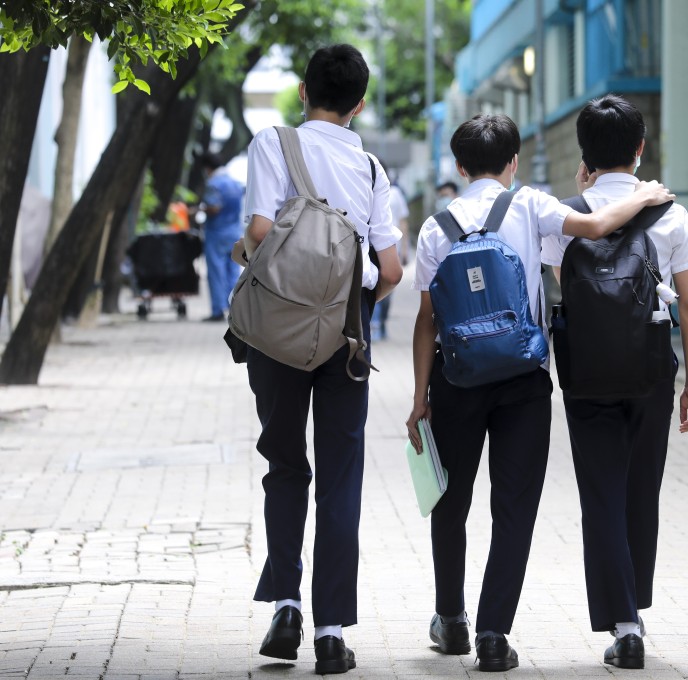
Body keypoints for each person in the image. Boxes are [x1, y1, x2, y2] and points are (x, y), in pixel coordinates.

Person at [406, 113, 674, 672]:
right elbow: (598, 226)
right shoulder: (529, 206)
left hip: (455, 380)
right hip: (522, 383)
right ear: (513, 163)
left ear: (459, 166)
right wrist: (646, 192)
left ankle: (450, 618)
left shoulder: (436, 227)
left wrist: (418, 398)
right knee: (515, 509)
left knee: (449, 501)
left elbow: (427, 320)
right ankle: (493, 634)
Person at [242, 44, 402, 675]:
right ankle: (331, 631)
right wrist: (353, 296)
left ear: (303, 91)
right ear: (359, 103)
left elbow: (259, 231)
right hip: (347, 332)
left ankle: (286, 604)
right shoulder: (368, 165)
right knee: (341, 478)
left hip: (278, 326)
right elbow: (390, 268)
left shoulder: (271, 144)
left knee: (284, 465)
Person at [540, 94, 688, 670]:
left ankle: (624, 624)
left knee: (601, 495)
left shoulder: (564, 215)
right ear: (641, 148)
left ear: (584, 155)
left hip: (586, 372)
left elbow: (567, 288)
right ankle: (638, 606)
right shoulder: (670, 214)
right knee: (641, 492)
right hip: (651, 371)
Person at [198, 152, 244, 322]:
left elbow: (214, 208)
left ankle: (217, 310)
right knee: (233, 271)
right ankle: (235, 308)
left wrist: (201, 209)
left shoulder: (213, 184)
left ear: (207, 168)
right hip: (234, 232)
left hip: (216, 233)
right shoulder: (235, 183)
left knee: (216, 272)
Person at [370, 162, 410, 340]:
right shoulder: (366, 185)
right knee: (375, 286)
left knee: (385, 294)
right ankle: (374, 324)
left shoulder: (395, 194)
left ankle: (381, 322)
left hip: (392, 247)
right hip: (372, 248)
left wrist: (405, 250)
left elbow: (403, 222)